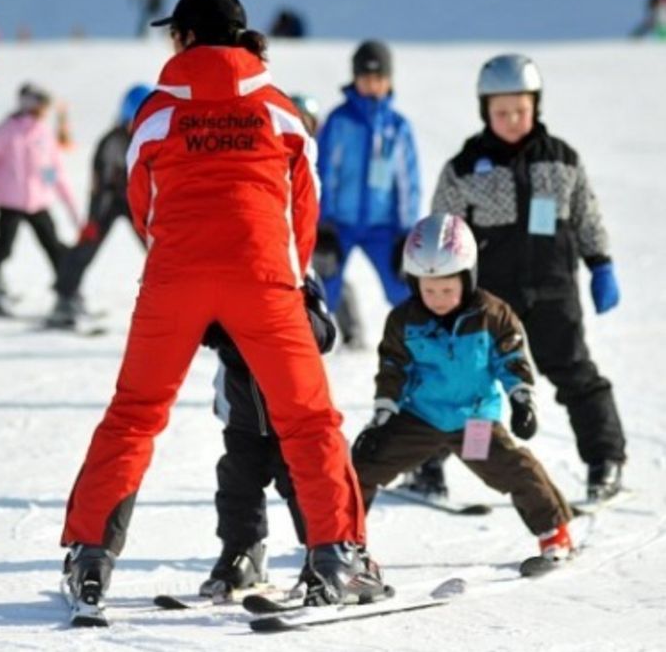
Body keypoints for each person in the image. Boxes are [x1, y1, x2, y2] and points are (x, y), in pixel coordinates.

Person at [60, 0, 385, 613]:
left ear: (183, 37)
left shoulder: (155, 110)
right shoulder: (277, 107)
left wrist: (182, 262)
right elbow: (304, 206)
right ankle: (337, 556)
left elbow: (141, 203)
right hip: (263, 276)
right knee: (307, 418)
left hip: (175, 276)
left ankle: (91, 558)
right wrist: (295, 282)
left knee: (134, 414)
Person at [430, 53, 626, 501]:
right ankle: (429, 464)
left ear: (536, 105)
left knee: (575, 372)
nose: (513, 119)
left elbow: (586, 216)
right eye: (501, 112)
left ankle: (605, 460)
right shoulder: (464, 168)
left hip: (554, 291)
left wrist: (601, 264)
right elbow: (443, 230)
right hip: (489, 299)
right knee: (464, 379)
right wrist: (434, 281)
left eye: (521, 109)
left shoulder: (562, 161)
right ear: (485, 111)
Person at [352, 214, 575, 561]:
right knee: (362, 467)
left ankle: (555, 534)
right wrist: (383, 414)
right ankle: (343, 543)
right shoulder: (404, 320)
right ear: (414, 284)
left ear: (467, 279)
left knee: (514, 469)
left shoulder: (493, 314)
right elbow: (394, 368)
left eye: (447, 289)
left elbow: (512, 358)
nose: (438, 298)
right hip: (420, 417)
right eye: (429, 290)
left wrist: (521, 400)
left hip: (473, 419)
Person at [198, 272, 337, 596]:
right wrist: (213, 327)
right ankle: (244, 551)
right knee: (236, 483)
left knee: (303, 485)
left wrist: (289, 314)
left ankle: (323, 556)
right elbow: (192, 322)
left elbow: (325, 334)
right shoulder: (217, 272)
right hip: (242, 414)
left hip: (293, 416)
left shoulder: (295, 268)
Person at [317, 40, 421, 316]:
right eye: (365, 78)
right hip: (340, 225)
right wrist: (322, 224)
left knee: (403, 288)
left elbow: (408, 183)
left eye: (379, 78)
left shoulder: (397, 126)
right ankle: (312, 348)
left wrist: (405, 232)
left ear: (389, 80)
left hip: (383, 226)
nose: (372, 85)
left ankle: (420, 344)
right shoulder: (339, 121)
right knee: (323, 287)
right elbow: (323, 172)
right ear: (355, 78)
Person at [0, 83, 81, 314]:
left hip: (38, 202)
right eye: (40, 106)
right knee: (2, 248)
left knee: (55, 248)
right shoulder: (7, 130)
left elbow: (54, 171)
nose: (43, 112)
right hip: (11, 202)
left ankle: (68, 293)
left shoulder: (43, 133)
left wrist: (72, 208)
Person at [47, 84, 153, 328]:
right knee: (87, 246)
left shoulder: (152, 134)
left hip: (139, 201)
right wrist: (93, 219)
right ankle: (65, 297)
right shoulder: (112, 141)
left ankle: (180, 296)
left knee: (160, 249)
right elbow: (99, 184)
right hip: (110, 201)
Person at [292, 93, 366, 349]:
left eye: (306, 121)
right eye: (296, 120)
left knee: (329, 273)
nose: (302, 126)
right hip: (288, 229)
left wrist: (327, 224)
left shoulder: (323, 153)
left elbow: (333, 187)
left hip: (321, 225)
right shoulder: (280, 150)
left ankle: (352, 330)